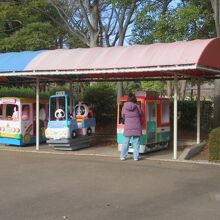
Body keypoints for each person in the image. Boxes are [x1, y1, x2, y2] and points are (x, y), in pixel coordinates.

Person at [120, 93, 142, 161]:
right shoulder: (137, 106)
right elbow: (141, 114)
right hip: (136, 126)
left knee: (125, 142)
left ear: (128, 99)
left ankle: (123, 156)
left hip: (128, 127)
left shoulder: (124, 106)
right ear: (134, 98)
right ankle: (136, 157)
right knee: (136, 143)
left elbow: (122, 115)